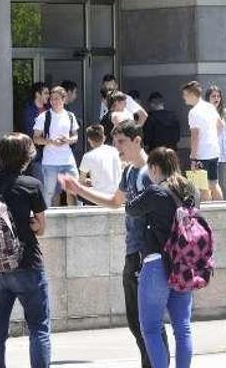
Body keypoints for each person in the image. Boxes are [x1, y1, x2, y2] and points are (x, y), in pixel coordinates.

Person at [61, 121, 168, 368]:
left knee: (149, 322)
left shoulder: (148, 173)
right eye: (115, 141)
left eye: (121, 142)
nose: (117, 147)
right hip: (133, 252)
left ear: (137, 141)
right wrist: (78, 189)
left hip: (148, 253)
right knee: (136, 320)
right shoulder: (130, 172)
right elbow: (114, 201)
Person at [0, 133, 51, 368]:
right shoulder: (31, 185)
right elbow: (40, 228)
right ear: (25, 157)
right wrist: (29, 222)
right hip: (27, 262)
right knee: (38, 327)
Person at [33, 86, 80, 207]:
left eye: (57, 99)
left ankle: (75, 218)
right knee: (49, 193)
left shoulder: (70, 116)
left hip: (67, 159)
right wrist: (51, 142)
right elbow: (36, 138)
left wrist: (68, 140)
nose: (53, 101)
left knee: (73, 191)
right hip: (50, 161)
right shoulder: (44, 116)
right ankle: (46, 220)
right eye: (52, 99)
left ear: (64, 99)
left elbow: (76, 136)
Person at [182, 81, 223, 201]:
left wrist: (193, 158)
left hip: (201, 154)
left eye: (185, 95)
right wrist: (212, 137)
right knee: (214, 184)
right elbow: (220, 126)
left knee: (202, 187)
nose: (183, 98)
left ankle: (207, 215)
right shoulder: (210, 107)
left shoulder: (193, 112)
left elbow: (195, 136)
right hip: (214, 151)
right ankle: (221, 211)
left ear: (191, 94)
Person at [206, 85, 226, 195]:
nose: (216, 98)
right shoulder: (204, 112)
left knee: (224, 182)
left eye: (218, 96)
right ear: (208, 98)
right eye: (213, 96)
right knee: (211, 182)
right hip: (210, 153)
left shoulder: (225, 113)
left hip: (225, 152)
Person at [79, 125, 123, 201]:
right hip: (117, 195)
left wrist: (89, 181)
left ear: (89, 140)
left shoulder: (88, 156)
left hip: (100, 197)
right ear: (104, 138)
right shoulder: (116, 151)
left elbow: (81, 181)